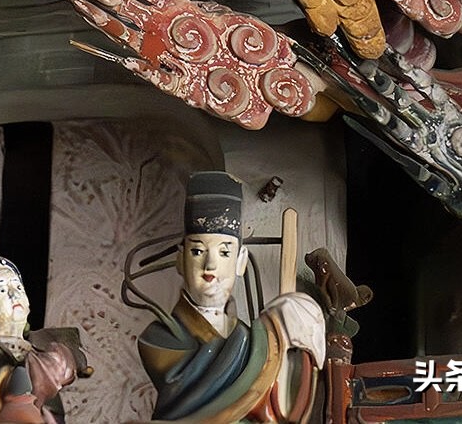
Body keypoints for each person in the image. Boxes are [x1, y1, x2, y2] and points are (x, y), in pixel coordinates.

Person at [137, 171, 325, 424]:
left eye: (224, 253)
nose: (210, 265)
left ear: (241, 261)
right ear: (180, 260)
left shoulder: (258, 340)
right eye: (197, 251)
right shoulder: (157, 340)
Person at [0, 258, 89, 424]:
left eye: (18, 287)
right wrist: (45, 370)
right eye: (1, 290)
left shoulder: (40, 351)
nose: (14, 294)